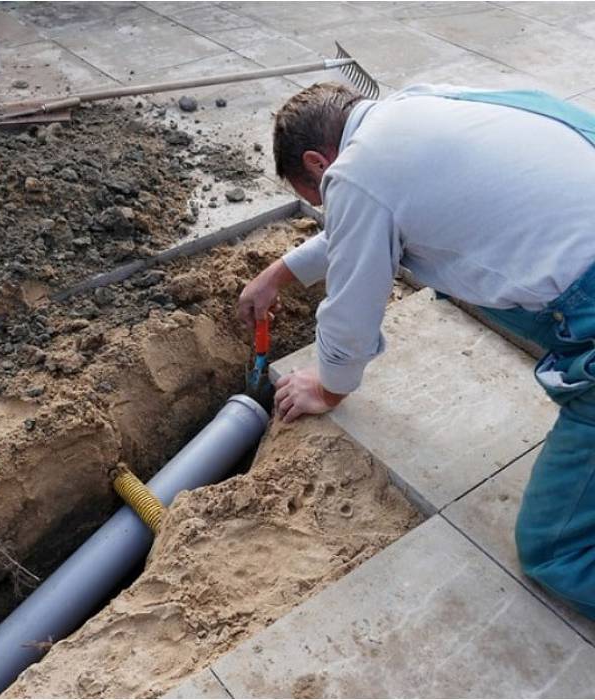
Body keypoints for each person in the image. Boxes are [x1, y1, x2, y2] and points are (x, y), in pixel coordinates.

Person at [237, 81, 595, 619]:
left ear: (318, 160)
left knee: (554, 549)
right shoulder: (417, 110)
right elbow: (361, 219)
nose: (332, 203)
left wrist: (329, 387)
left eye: (322, 194)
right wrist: (279, 274)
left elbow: (353, 310)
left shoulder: (361, 174)